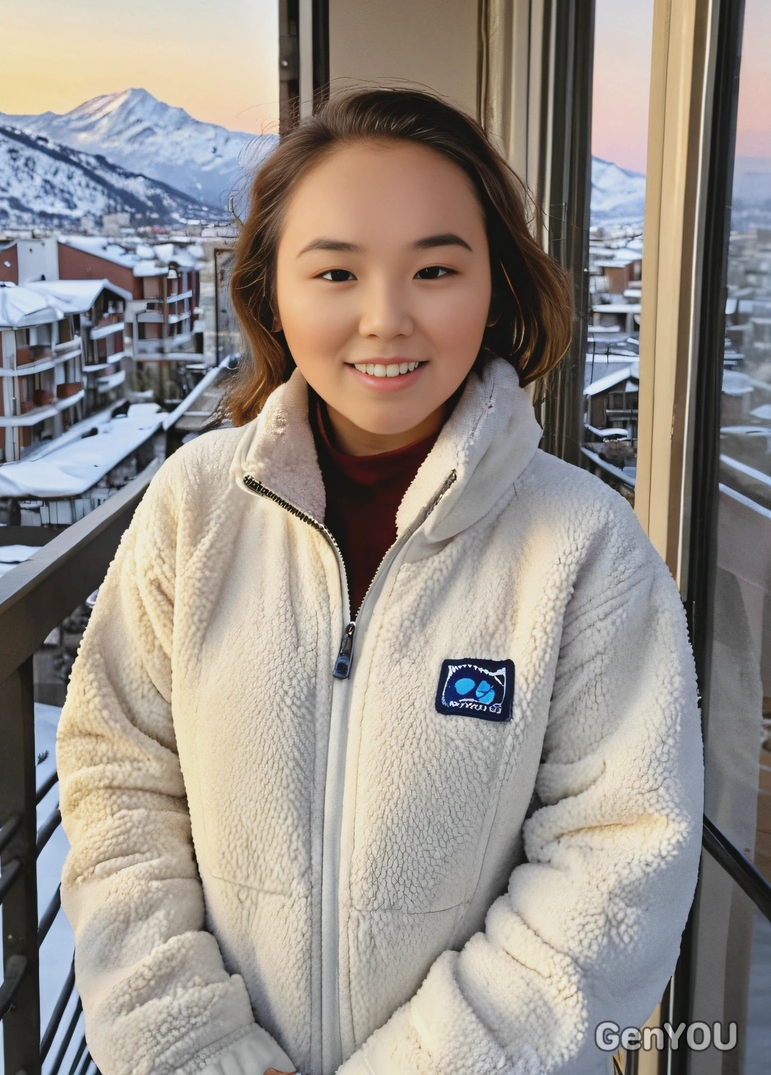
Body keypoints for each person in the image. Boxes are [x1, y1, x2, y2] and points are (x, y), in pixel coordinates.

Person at [56, 87, 704, 1075]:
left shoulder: (581, 547)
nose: (385, 318)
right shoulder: (195, 509)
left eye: (435, 268)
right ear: (274, 289)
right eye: (336, 271)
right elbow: (117, 782)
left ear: (496, 284)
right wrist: (194, 1048)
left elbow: (619, 856)